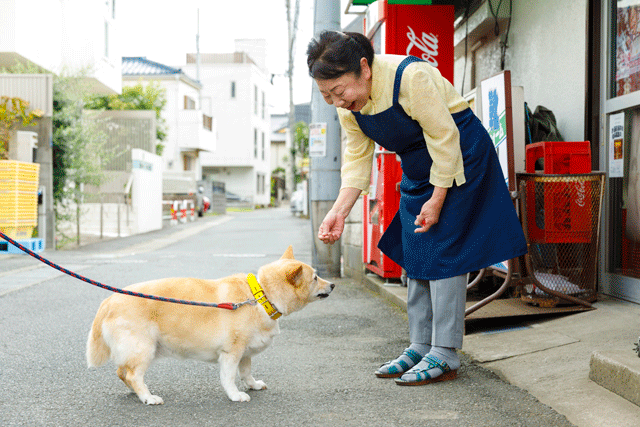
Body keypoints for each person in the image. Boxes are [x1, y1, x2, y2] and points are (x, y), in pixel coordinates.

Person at [306, 31, 528, 386]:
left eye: (339, 91)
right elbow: (357, 159)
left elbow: (445, 137)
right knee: (415, 249)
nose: (336, 102)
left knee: (443, 251)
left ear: (363, 68)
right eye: (326, 95)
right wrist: (339, 211)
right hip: (417, 165)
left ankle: (445, 353)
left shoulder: (411, 77)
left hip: (460, 157)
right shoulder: (349, 107)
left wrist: (438, 198)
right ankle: (420, 344)